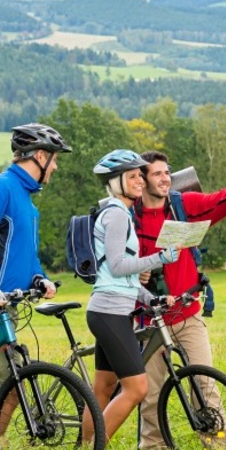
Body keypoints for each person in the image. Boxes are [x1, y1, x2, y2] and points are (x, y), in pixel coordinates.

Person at [133, 150, 226, 449]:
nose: (165, 178)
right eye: (157, 174)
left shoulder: (182, 205)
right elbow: (115, 263)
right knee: (151, 398)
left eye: (167, 172)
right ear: (141, 180)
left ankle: (220, 445)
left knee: (205, 388)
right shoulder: (129, 217)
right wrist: (137, 275)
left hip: (187, 314)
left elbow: (215, 203)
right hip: (149, 321)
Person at [81, 150, 181, 446]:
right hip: (109, 313)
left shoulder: (121, 213)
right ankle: (96, 445)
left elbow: (122, 278)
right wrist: (158, 258)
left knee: (104, 388)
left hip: (112, 308)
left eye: (141, 175)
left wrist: (151, 299)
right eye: (133, 176)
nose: (140, 181)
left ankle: (84, 444)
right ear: (116, 181)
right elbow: (118, 266)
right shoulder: (115, 215)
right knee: (137, 388)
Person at [0, 123, 72, 438]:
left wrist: (39, 278)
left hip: (8, 308)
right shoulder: (3, 186)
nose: (55, 167)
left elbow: (25, 255)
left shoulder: (28, 202)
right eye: (54, 159)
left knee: (12, 382)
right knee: (11, 379)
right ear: (40, 155)